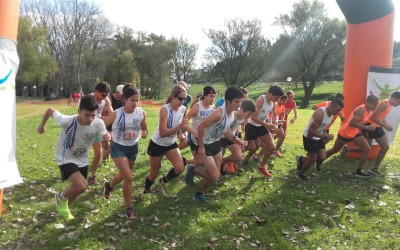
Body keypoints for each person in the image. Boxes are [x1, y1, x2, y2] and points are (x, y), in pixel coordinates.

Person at [37, 95, 111, 220]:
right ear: (79, 111)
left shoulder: (99, 124)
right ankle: (60, 197)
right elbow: (49, 110)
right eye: (87, 115)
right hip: (65, 157)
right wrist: (41, 126)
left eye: (93, 115)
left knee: (79, 189)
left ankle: (64, 207)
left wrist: (106, 141)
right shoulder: (67, 121)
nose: (90, 119)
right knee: (83, 185)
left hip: (82, 159)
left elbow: (105, 147)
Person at [185, 86, 245, 202]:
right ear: (228, 101)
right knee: (214, 176)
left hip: (216, 143)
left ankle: (199, 193)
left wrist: (235, 139)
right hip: (205, 144)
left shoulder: (232, 113)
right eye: (236, 102)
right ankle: (192, 169)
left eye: (240, 102)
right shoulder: (218, 113)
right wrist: (201, 146)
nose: (239, 105)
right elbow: (201, 126)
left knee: (215, 176)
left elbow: (225, 129)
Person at [102, 84, 147, 220]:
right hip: (118, 147)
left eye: (137, 100)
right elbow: (102, 126)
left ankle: (108, 186)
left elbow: (144, 127)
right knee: (128, 177)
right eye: (132, 100)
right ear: (125, 99)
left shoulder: (141, 112)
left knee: (124, 174)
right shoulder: (117, 113)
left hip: (133, 147)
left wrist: (144, 132)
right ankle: (129, 208)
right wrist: (106, 134)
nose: (135, 103)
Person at [143, 85, 189, 196]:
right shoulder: (165, 110)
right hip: (157, 144)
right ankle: (146, 190)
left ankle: (163, 181)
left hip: (170, 144)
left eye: (185, 99)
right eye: (180, 98)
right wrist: (178, 129)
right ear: (173, 96)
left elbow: (183, 127)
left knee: (179, 168)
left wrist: (182, 134)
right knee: (154, 172)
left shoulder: (183, 109)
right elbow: (163, 133)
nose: (183, 101)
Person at [323, 95, 379, 177]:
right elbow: (351, 123)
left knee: (367, 149)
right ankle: (317, 159)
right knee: (335, 150)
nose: (376, 106)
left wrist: (368, 127)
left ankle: (359, 172)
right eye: (375, 104)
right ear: (368, 102)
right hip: (346, 132)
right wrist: (367, 128)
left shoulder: (368, 110)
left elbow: (360, 122)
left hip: (354, 132)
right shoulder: (361, 109)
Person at [346, 91, 400, 175]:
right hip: (369, 126)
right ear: (394, 98)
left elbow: (380, 117)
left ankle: (375, 169)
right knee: (367, 149)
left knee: (385, 147)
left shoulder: (389, 105)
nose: (399, 104)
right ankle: (357, 168)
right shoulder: (384, 104)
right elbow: (373, 117)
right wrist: (385, 126)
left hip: (377, 127)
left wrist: (386, 124)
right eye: (399, 102)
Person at [241, 85, 284, 177]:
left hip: (261, 126)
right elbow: (253, 116)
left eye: (278, 98)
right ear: (270, 93)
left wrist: (275, 123)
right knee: (250, 147)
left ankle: (261, 167)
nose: (277, 99)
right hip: (251, 126)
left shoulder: (273, 102)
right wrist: (266, 125)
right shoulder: (261, 100)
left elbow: (275, 115)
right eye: (276, 97)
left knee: (271, 147)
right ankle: (237, 158)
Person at [296, 98, 344, 179]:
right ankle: (300, 174)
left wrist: (325, 134)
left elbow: (324, 127)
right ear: (332, 106)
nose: (338, 113)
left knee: (322, 157)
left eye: (340, 111)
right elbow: (310, 131)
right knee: (313, 158)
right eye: (338, 110)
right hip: (309, 137)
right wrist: (325, 136)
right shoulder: (320, 113)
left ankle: (302, 160)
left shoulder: (332, 116)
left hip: (318, 137)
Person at [220, 99, 256, 175]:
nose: (249, 117)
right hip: (220, 138)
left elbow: (235, 126)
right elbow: (225, 130)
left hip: (231, 138)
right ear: (242, 109)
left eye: (250, 115)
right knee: (217, 159)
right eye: (249, 114)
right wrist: (237, 139)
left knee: (239, 157)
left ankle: (223, 161)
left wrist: (239, 138)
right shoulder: (232, 114)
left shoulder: (243, 117)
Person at [184, 86, 216, 169]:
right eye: (211, 96)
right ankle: (190, 172)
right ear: (205, 96)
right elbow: (184, 123)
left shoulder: (213, 108)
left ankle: (186, 163)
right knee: (199, 161)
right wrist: (194, 132)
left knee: (201, 161)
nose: (212, 99)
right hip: (195, 138)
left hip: (207, 138)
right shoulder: (197, 107)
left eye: (214, 96)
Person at [87, 82, 113, 185]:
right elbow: (81, 114)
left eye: (106, 95)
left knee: (100, 152)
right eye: (103, 95)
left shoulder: (105, 100)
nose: (104, 97)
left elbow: (112, 113)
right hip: (85, 128)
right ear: (96, 91)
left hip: (97, 127)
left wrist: (109, 119)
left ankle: (92, 176)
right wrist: (97, 118)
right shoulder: (88, 99)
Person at [103, 84, 124, 164]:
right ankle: (105, 159)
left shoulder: (123, 100)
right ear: (117, 92)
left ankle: (108, 158)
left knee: (113, 143)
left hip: (116, 124)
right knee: (108, 141)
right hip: (108, 122)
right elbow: (104, 111)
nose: (122, 96)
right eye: (121, 94)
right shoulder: (109, 99)